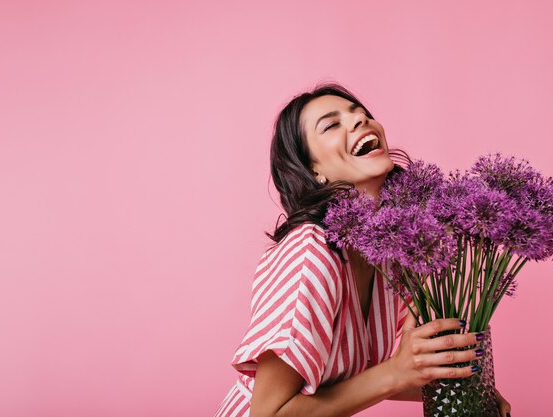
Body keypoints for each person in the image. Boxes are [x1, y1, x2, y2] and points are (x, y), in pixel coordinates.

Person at [214, 82, 512, 417]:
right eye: (331, 124)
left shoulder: (391, 250)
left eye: (362, 115)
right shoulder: (310, 251)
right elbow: (266, 413)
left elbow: (367, 375)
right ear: (314, 170)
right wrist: (397, 372)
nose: (360, 122)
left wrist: (468, 389)